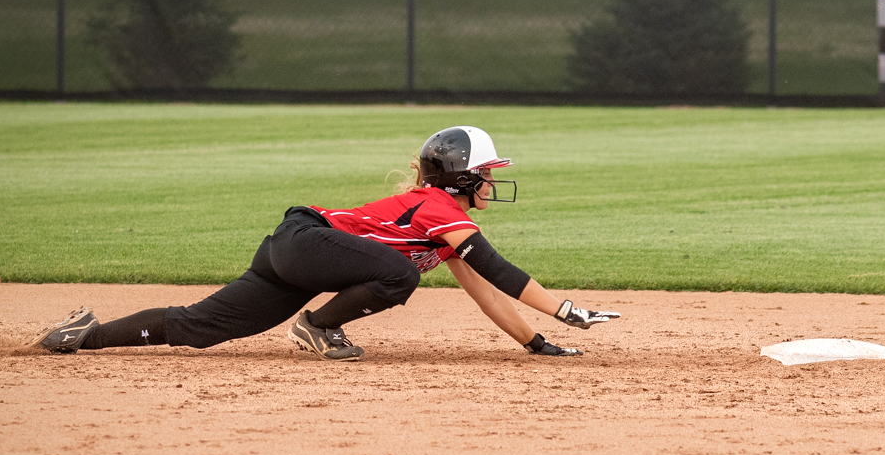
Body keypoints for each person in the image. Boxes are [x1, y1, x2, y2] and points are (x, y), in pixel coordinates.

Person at [33, 126, 620, 361]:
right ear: (463, 177)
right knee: (400, 274)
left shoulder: (443, 225)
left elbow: (484, 291)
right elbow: (496, 267)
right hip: (306, 237)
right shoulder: (442, 210)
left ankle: (83, 336)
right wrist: (566, 310)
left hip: (294, 256)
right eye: (487, 170)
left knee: (199, 327)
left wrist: (537, 343)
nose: (493, 179)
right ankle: (319, 328)